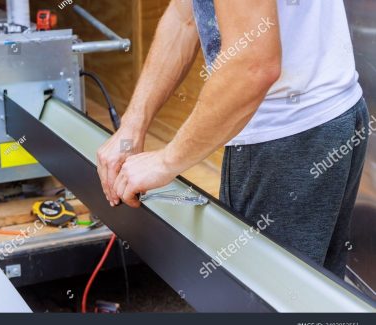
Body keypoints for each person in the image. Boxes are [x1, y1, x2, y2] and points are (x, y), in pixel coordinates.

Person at [96, 0, 368, 279]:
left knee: (269, 297)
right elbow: (185, 16)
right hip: (326, 116)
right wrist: (132, 126)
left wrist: (166, 163)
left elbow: (253, 66)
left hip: (288, 140)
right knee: (314, 297)